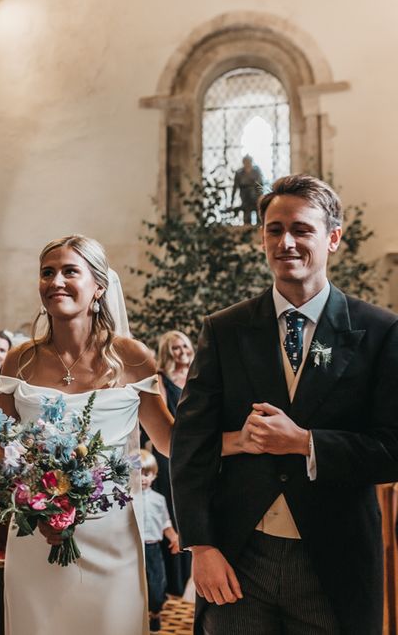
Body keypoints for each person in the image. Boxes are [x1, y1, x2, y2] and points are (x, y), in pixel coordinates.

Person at [171, 174, 398, 634]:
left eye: (301, 229)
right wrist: (202, 546)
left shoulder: (379, 332)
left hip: (334, 560)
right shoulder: (225, 329)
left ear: (333, 237)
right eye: (275, 230)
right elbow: (189, 443)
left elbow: (392, 449)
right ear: (262, 238)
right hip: (239, 559)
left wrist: (306, 443)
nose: (286, 242)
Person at [0, 234, 174, 635]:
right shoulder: (19, 359)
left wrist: (229, 438)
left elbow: (166, 440)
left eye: (69, 271)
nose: (55, 281)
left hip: (110, 532)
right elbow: (0, 446)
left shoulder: (132, 357)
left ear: (98, 286)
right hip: (37, 530)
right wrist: (33, 503)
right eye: (47, 273)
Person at [153, 330, 194, 595]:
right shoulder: (161, 379)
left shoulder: (200, 372)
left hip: (197, 449)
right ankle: (174, 580)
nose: (182, 352)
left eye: (185, 346)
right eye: (175, 349)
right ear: (168, 353)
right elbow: (162, 417)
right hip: (169, 449)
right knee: (172, 505)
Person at [137, 449, 180, 633]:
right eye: (138, 474)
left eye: (146, 474)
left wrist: (174, 538)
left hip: (153, 548)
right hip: (135, 550)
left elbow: (165, 522)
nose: (143, 479)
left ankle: (155, 612)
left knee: (157, 583)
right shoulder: (128, 499)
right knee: (138, 584)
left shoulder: (159, 499)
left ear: (154, 475)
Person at [232, 155, 264, 225]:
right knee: (246, 214)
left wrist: (261, 197)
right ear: (243, 163)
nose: (247, 163)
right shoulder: (239, 173)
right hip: (245, 196)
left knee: (258, 214)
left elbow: (260, 185)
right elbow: (235, 186)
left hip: (255, 195)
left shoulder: (256, 172)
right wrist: (232, 200)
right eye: (245, 162)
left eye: (249, 162)